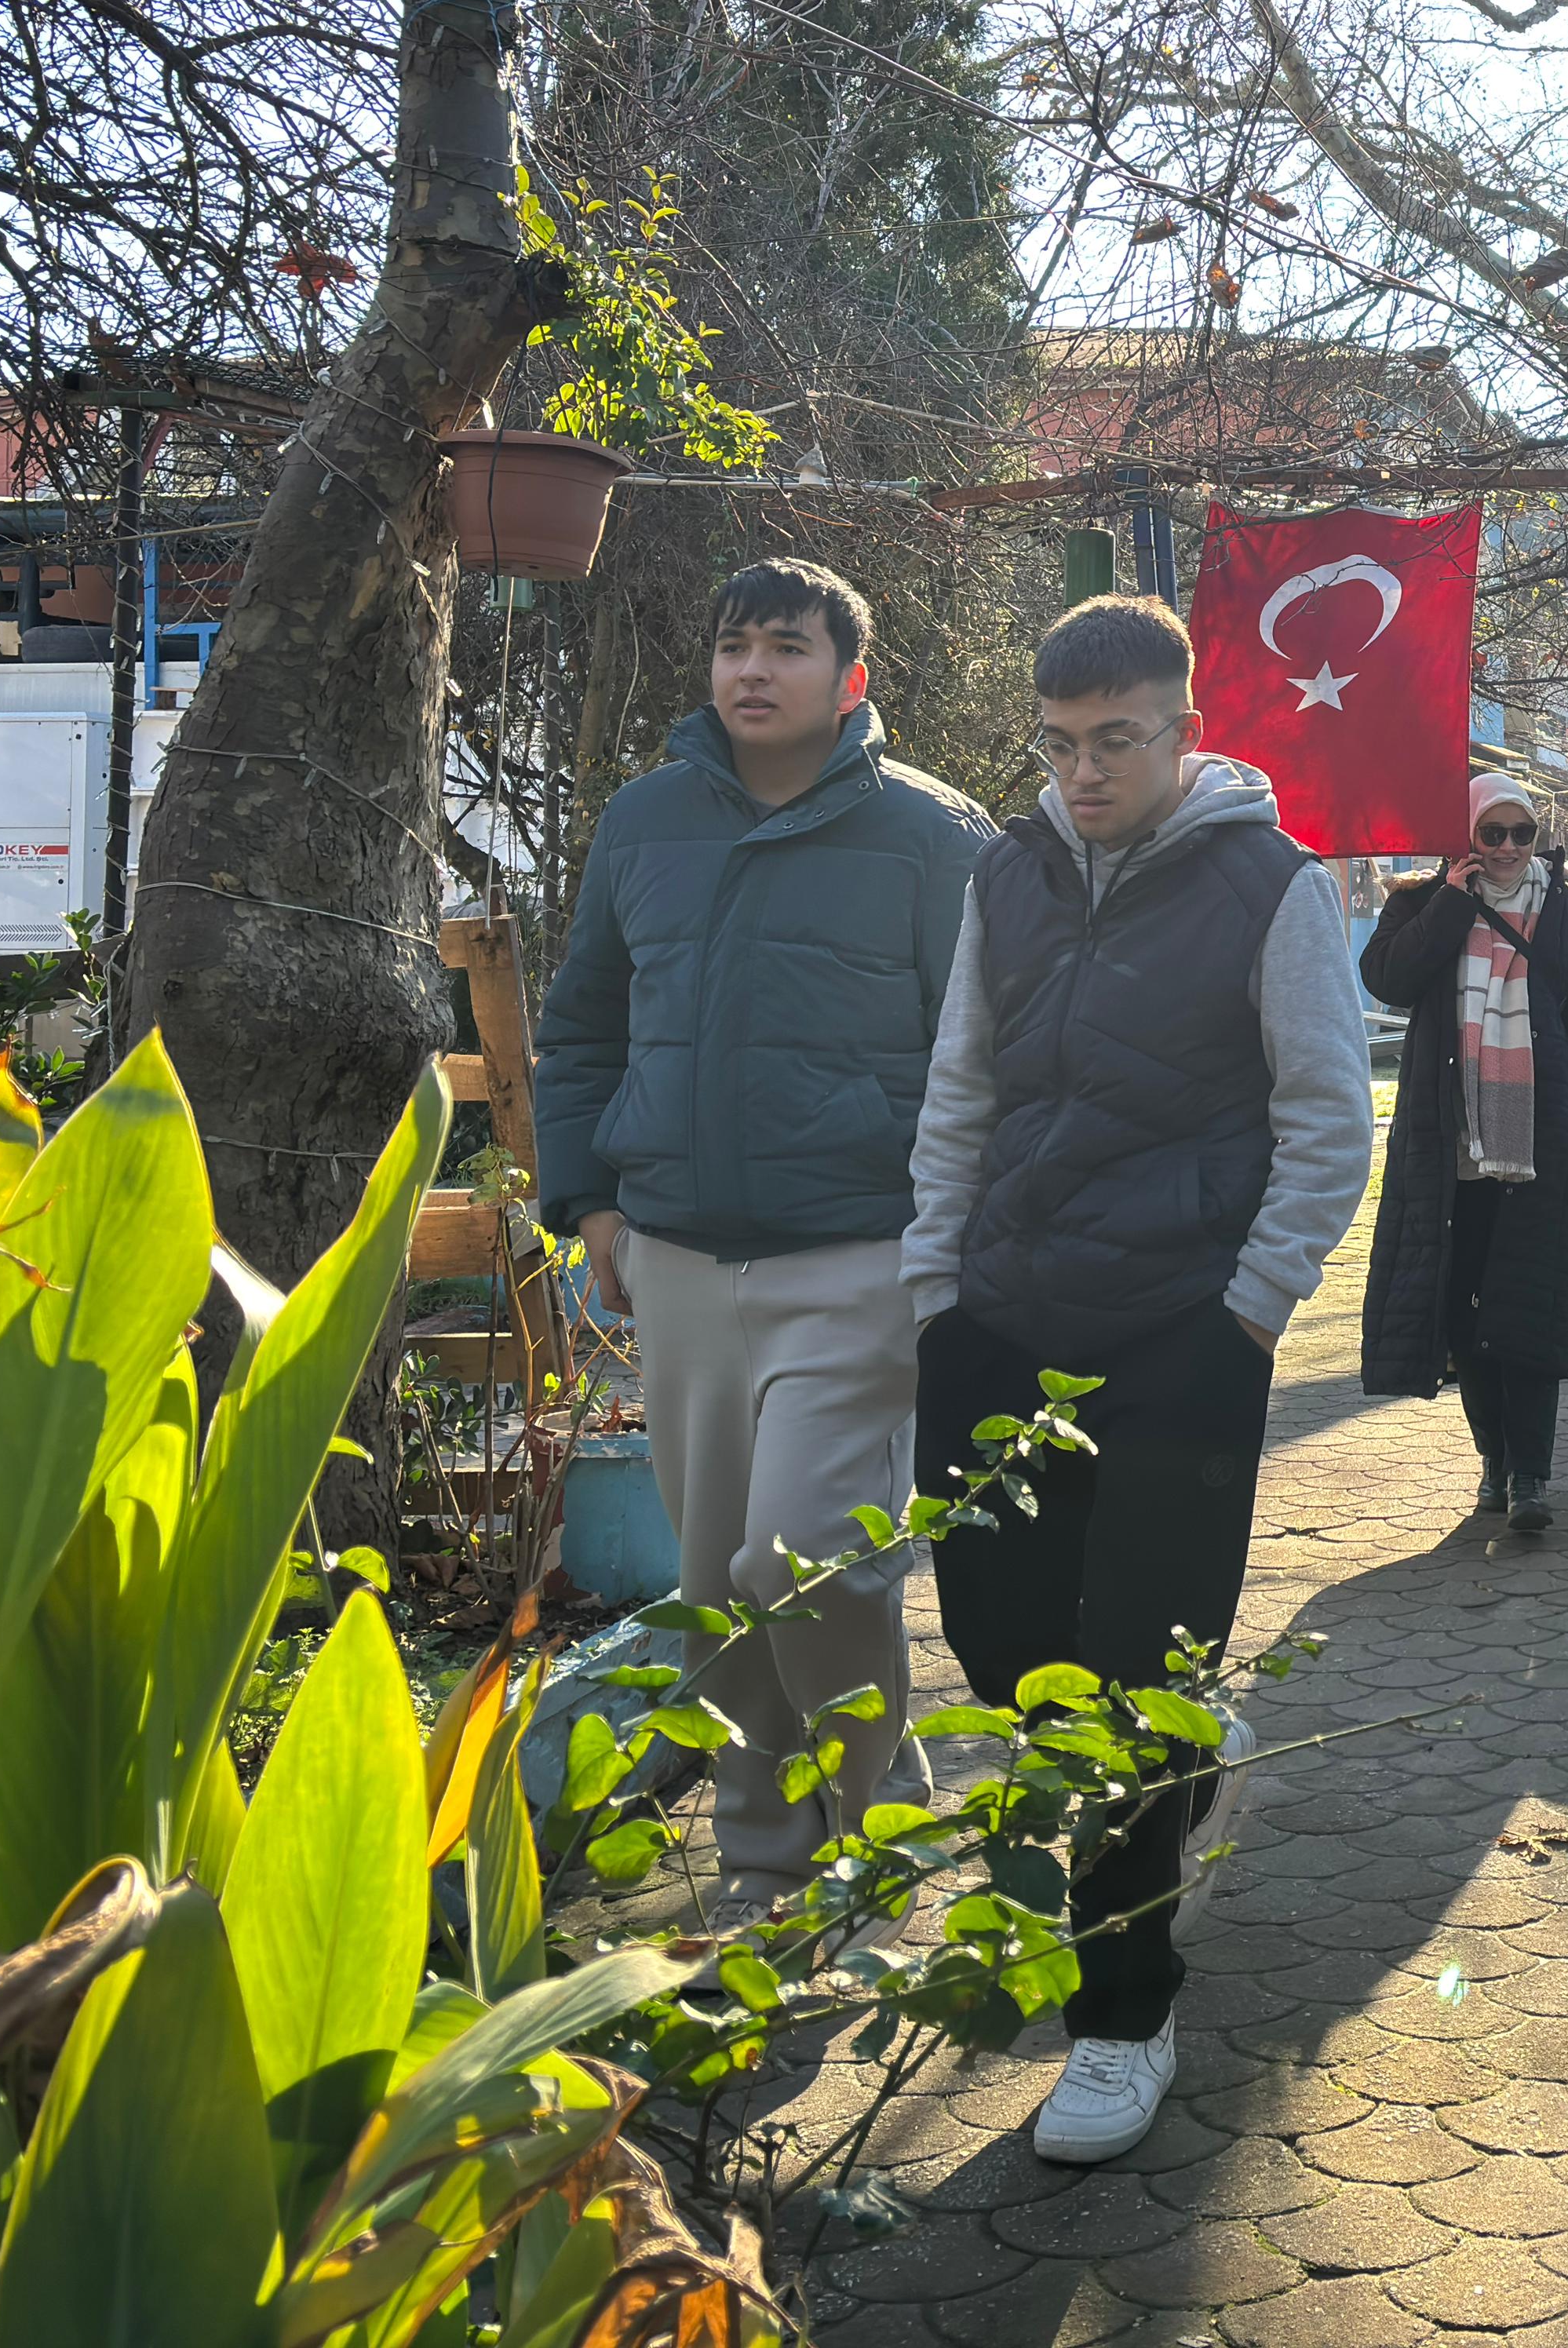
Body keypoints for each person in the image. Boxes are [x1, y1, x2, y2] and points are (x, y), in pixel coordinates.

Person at [904, 594, 1374, 2165]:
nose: (1086, 773)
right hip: (997, 1317)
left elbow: (1327, 1113)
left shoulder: (1269, 883)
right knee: (999, 1642)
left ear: (1181, 728)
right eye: (1060, 745)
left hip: (1182, 1334)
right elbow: (960, 1084)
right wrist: (932, 1289)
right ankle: (1178, 1786)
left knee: (1128, 1683)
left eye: (1116, 742)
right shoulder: (1010, 871)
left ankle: (1122, 2016)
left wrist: (1248, 1308)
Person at [533, 558, 990, 1917]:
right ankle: (764, 1860)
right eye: (734, 646)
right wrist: (593, 1201)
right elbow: (584, 1025)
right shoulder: (647, 820)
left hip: (859, 1253)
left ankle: (879, 1822)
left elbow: (987, 1053)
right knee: (708, 1586)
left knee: (804, 1557)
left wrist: (956, 1238)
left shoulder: (935, 836)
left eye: (785, 648)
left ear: (851, 680)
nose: (751, 672)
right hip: (674, 1258)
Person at [1357, 774, 1568, 1532]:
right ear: (1468, 838)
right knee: (1467, 1307)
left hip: (1544, 1140)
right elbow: (1387, 978)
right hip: (1450, 1144)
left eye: (1522, 835)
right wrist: (1453, 900)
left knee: (1532, 1307)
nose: (1509, 849)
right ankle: (1494, 1463)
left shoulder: (1567, 912)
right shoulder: (1419, 902)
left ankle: (1532, 1477)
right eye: (1492, 834)